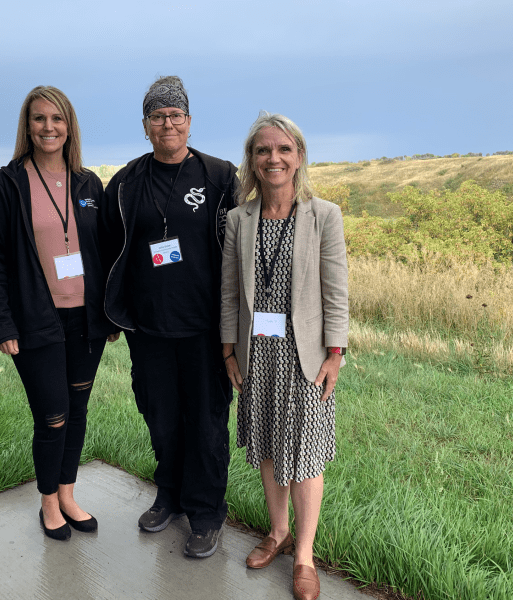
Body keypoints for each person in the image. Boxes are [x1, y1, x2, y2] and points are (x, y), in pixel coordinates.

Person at [101, 75, 239, 558]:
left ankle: (205, 513)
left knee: (205, 422)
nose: (167, 124)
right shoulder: (125, 183)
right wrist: (111, 314)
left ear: (189, 121)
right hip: (149, 327)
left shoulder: (220, 177)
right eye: (157, 116)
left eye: (175, 115)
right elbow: (106, 251)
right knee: (161, 417)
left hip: (204, 329)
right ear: (145, 126)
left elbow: (241, 249)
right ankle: (170, 494)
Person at [0, 85, 118, 542]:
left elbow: (104, 251)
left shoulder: (88, 183)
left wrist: (110, 315)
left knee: (77, 410)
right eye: (39, 119)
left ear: (69, 126)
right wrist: (2, 323)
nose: (48, 127)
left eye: (56, 119)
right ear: (27, 126)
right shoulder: (7, 184)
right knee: (52, 414)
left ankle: (68, 493)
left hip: (85, 319)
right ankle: (47, 503)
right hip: (37, 319)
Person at [220, 113, 348, 600]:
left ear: (298, 157)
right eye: (262, 150)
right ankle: (277, 533)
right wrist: (228, 349)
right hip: (257, 355)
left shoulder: (324, 215)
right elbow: (230, 292)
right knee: (271, 448)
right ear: (251, 161)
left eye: (283, 149)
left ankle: (304, 555)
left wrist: (336, 352)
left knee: (307, 453)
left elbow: (336, 291)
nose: (273, 158)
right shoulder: (239, 219)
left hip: (306, 356)